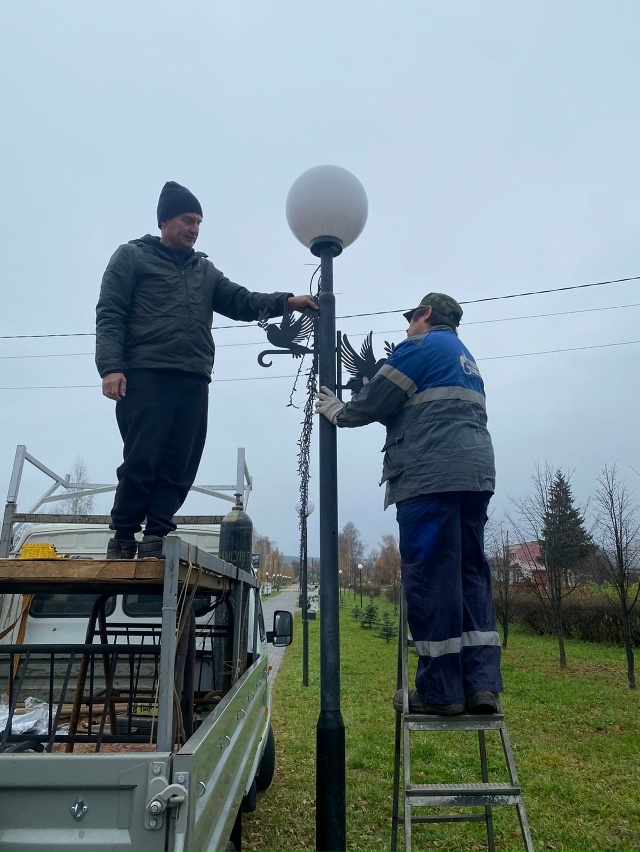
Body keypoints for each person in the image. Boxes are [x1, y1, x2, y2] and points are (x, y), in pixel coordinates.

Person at [96, 180, 317, 559]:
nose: (195, 228)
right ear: (165, 221)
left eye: (199, 221)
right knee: (142, 456)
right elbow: (110, 313)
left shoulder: (205, 271)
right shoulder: (131, 257)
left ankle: (157, 534)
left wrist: (287, 301)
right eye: (188, 219)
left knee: (181, 459)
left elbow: (242, 300)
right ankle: (123, 534)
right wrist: (110, 367)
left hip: (194, 375)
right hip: (146, 373)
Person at [315, 292, 502, 715]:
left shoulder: (420, 347)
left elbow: (376, 399)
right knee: (470, 574)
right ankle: (481, 686)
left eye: (410, 320)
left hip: (428, 478)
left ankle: (441, 693)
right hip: (474, 478)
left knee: (432, 578)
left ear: (427, 315)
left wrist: (338, 411)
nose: (405, 329)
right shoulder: (466, 359)